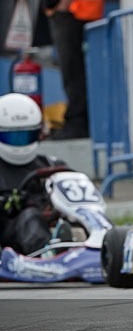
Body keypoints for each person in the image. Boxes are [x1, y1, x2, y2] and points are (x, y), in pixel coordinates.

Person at [39, 0, 107, 140]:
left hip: (77, 13)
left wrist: (63, 6)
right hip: (70, 12)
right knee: (71, 72)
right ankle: (75, 121)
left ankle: (78, 124)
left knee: (74, 72)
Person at [0, 94, 65, 254]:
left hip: (50, 230)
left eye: (26, 135)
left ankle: (102, 245)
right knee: (30, 217)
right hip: (9, 240)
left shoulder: (52, 165)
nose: (20, 143)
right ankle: (47, 256)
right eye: (12, 136)